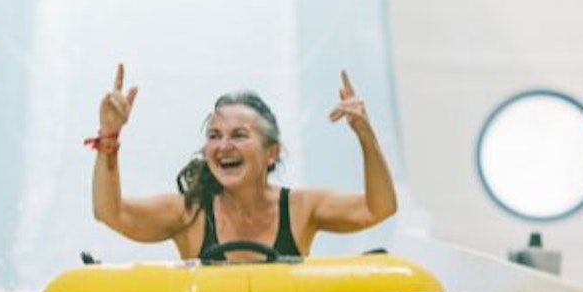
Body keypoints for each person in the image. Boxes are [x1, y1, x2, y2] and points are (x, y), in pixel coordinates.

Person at [88, 64, 397, 260]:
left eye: (238, 135)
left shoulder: (301, 208)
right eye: (214, 135)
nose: (223, 146)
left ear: (271, 152)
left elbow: (378, 208)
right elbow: (110, 213)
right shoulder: (189, 214)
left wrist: (365, 134)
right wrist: (109, 135)